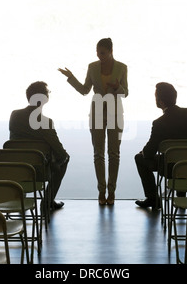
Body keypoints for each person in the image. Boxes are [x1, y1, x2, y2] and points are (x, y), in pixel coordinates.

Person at [58, 38, 128, 205]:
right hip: (96, 112)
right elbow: (84, 90)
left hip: (115, 112)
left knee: (114, 154)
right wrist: (71, 77)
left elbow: (125, 93)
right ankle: (101, 192)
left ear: (111, 51)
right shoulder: (92, 67)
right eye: (97, 52)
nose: (99, 56)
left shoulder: (122, 67)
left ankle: (112, 192)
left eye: (102, 53)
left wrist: (117, 86)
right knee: (98, 154)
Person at [135, 82, 187, 209]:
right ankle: (181, 197)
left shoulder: (159, 123)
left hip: (171, 169)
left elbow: (149, 152)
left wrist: (143, 152)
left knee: (139, 158)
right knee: (184, 155)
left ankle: (153, 199)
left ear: (160, 102)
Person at [9, 81, 70, 210]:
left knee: (22, 154)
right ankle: (47, 202)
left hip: (14, 169)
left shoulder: (14, 115)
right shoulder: (45, 122)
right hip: (38, 172)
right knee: (65, 158)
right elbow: (60, 152)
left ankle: (21, 199)